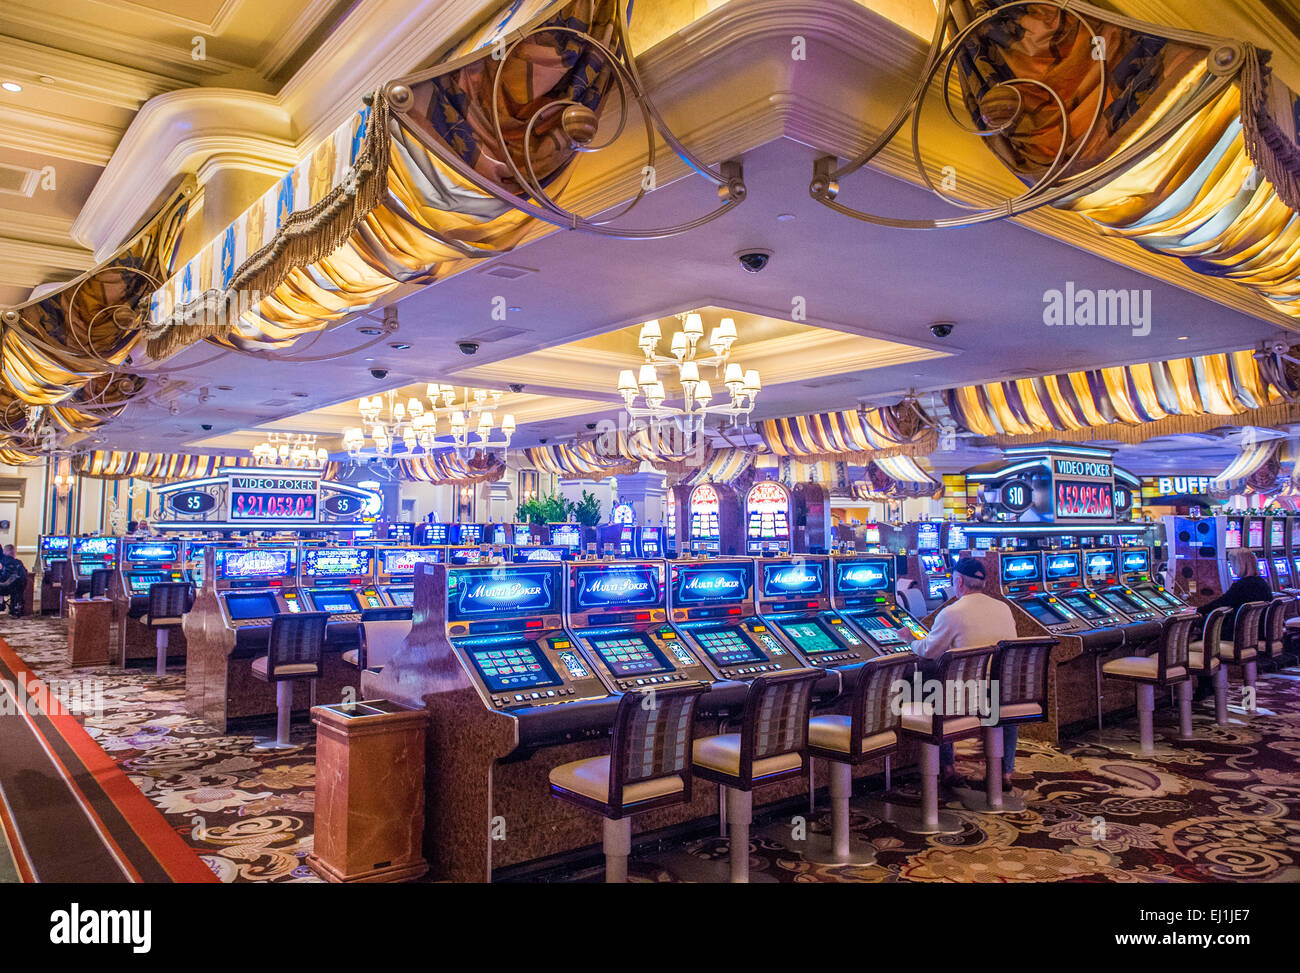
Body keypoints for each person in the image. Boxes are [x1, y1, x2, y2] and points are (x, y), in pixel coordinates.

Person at [905, 556, 1019, 792]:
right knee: (993, 697)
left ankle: (947, 768)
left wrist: (909, 640)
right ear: (984, 583)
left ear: (957, 582)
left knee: (921, 685)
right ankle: (1005, 772)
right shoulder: (1004, 608)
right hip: (1005, 694)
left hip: (965, 700)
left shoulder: (952, 613)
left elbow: (928, 651)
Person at [1196, 548, 1271, 643]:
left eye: (1231, 563)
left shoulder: (1242, 586)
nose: (1231, 566)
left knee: (1200, 633)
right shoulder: (1262, 583)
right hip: (1257, 633)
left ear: (1239, 564)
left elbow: (1221, 603)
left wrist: (1197, 610)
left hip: (1239, 636)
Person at [0, 544, 29, 617]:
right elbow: (26, 573)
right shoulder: (19, 562)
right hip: (19, 587)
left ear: (5, 552)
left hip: (5, 587)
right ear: (13, 553)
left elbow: (3, 577)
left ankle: (1, 604)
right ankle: (14, 609)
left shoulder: (3, 560)